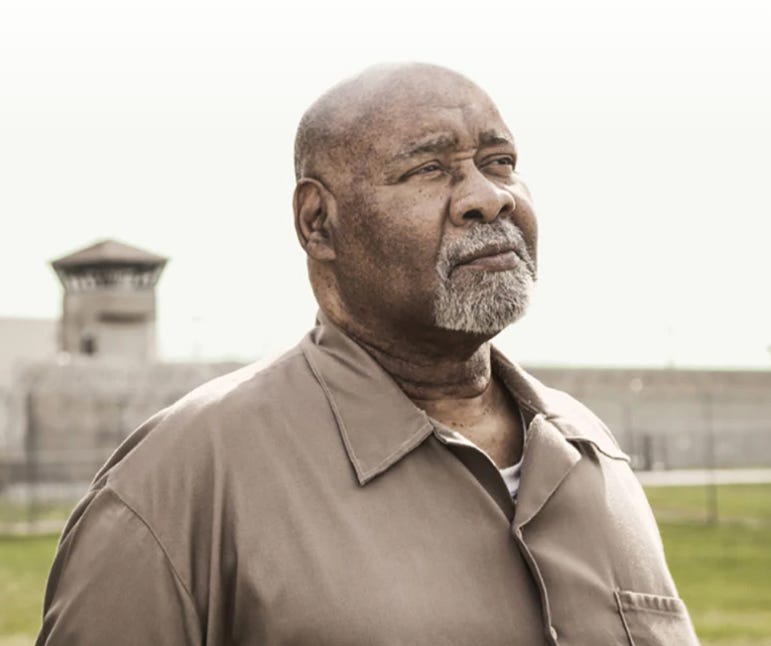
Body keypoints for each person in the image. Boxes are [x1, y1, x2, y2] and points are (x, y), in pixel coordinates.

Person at [36, 63, 699, 645]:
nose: (489, 197)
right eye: (428, 169)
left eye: (499, 162)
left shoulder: (591, 455)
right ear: (317, 222)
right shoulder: (176, 485)